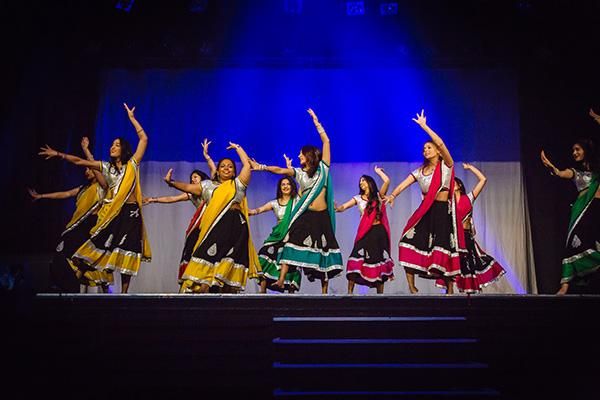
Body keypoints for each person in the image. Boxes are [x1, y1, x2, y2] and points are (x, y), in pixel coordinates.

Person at [38, 103, 151, 293]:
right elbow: (81, 161)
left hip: (131, 213)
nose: (112, 147)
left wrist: (131, 118)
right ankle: (72, 283)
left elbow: (144, 138)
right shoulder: (105, 167)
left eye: (117, 145)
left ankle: (124, 295)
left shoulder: (132, 164)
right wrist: (59, 154)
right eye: (112, 144)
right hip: (112, 214)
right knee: (96, 247)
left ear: (123, 149)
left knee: (128, 251)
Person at [250, 108, 343, 294]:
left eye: (301, 154)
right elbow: (280, 171)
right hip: (306, 215)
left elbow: (326, 141)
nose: (299, 156)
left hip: (322, 217)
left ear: (309, 156)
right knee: (291, 241)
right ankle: (282, 279)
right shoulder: (299, 174)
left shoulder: (324, 169)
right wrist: (261, 167)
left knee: (324, 249)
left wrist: (316, 122)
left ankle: (324, 291)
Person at [385, 110, 464, 294]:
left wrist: (424, 126)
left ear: (437, 150)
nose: (426, 150)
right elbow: (404, 183)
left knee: (443, 249)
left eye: (429, 147)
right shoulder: (420, 171)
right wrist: (393, 195)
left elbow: (441, 143)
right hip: (426, 212)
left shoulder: (447, 165)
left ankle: (449, 290)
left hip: (443, 212)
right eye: (424, 148)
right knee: (406, 242)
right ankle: (412, 287)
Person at [170, 142, 261, 293]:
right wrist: (171, 183)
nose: (226, 168)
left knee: (230, 256)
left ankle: (220, 287)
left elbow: (246, 165)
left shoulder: (238, 184)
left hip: (237, 225)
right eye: (223, 166)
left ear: (233, 172)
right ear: (217, 171)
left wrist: (239, 148)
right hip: (217, 225)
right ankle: (204, 283)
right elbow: (188, 188)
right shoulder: (208, 187)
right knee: (208, 251)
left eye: (230, 166)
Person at [29, 150, 110, 292]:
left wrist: (86, 151)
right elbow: (65, 194)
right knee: (73, 260)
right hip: (75, 227)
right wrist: (41, 196)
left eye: (90, 169)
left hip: (90, 227)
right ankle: (69, 289)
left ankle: (105, 294)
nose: (87, 171)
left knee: (86, 259)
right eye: (86, 169)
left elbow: (96, 167)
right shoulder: (83, 188)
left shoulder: (102, 188)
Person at [541, 132, 600, 295]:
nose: (574, 153)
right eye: (573, 150)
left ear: (587, 150)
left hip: (595, 211)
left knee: (591, 243)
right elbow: (561, 173)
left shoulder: (597, 173)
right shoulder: (576, 172)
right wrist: (553, 168)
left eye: (578, 149)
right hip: (580, 213)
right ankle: (565, 285)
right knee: (571, 245)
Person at [444, 163, 506, 293]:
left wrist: (470, 168)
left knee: (469, 263)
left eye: (454, 183)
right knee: (450, 263)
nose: (452, 185)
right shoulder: (448, 202)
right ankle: (449, 292)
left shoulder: (469, 197)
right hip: (453, 236)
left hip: (466, 235)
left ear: (459, 185)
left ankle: (470, 294)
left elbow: (483, 179)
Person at [335, 166, 394, 294]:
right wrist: (338, 208)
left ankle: (380, 296)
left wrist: (378, 172)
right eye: (360, 182)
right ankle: (350, 293)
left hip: (378, 233)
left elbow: (387, 181)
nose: (361, 183)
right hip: (365, 233)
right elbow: (344, 206)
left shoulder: (378, 196)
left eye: (363, 180)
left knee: (379, 261)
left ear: (369, 183)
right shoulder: (358, 198)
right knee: (355, 259)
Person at [250, 175, 302, 293]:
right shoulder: (275, 203)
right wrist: (249, 212)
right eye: (283, 184)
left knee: (289, 257)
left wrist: (292, 171)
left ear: (292, 186)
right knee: (264, 255)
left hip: (292, 236)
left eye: (288, 184)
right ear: (279, 187)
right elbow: (259, 210)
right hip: (277, 236)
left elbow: (303, 183)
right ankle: (262, 289)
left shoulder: (297, 200)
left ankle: (284, 284)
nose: (285, 186)